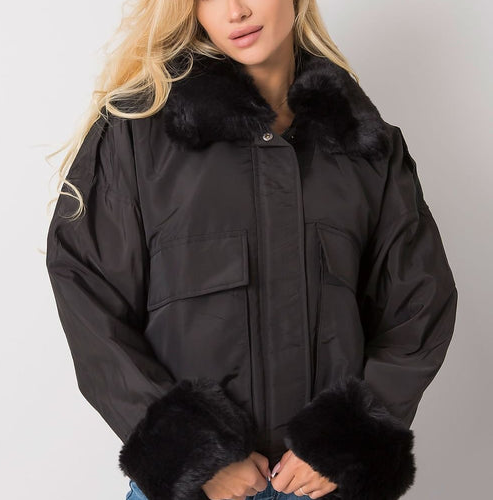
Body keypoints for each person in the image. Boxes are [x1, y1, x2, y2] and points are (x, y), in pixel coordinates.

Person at [45, 1, 458, 500]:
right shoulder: (137, 133)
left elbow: (418, 305)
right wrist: (191, 455)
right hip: (196, 491)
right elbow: (89, 296)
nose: (236, 11)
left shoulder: (364, 146)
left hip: (323, 489)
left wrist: (345, 444)